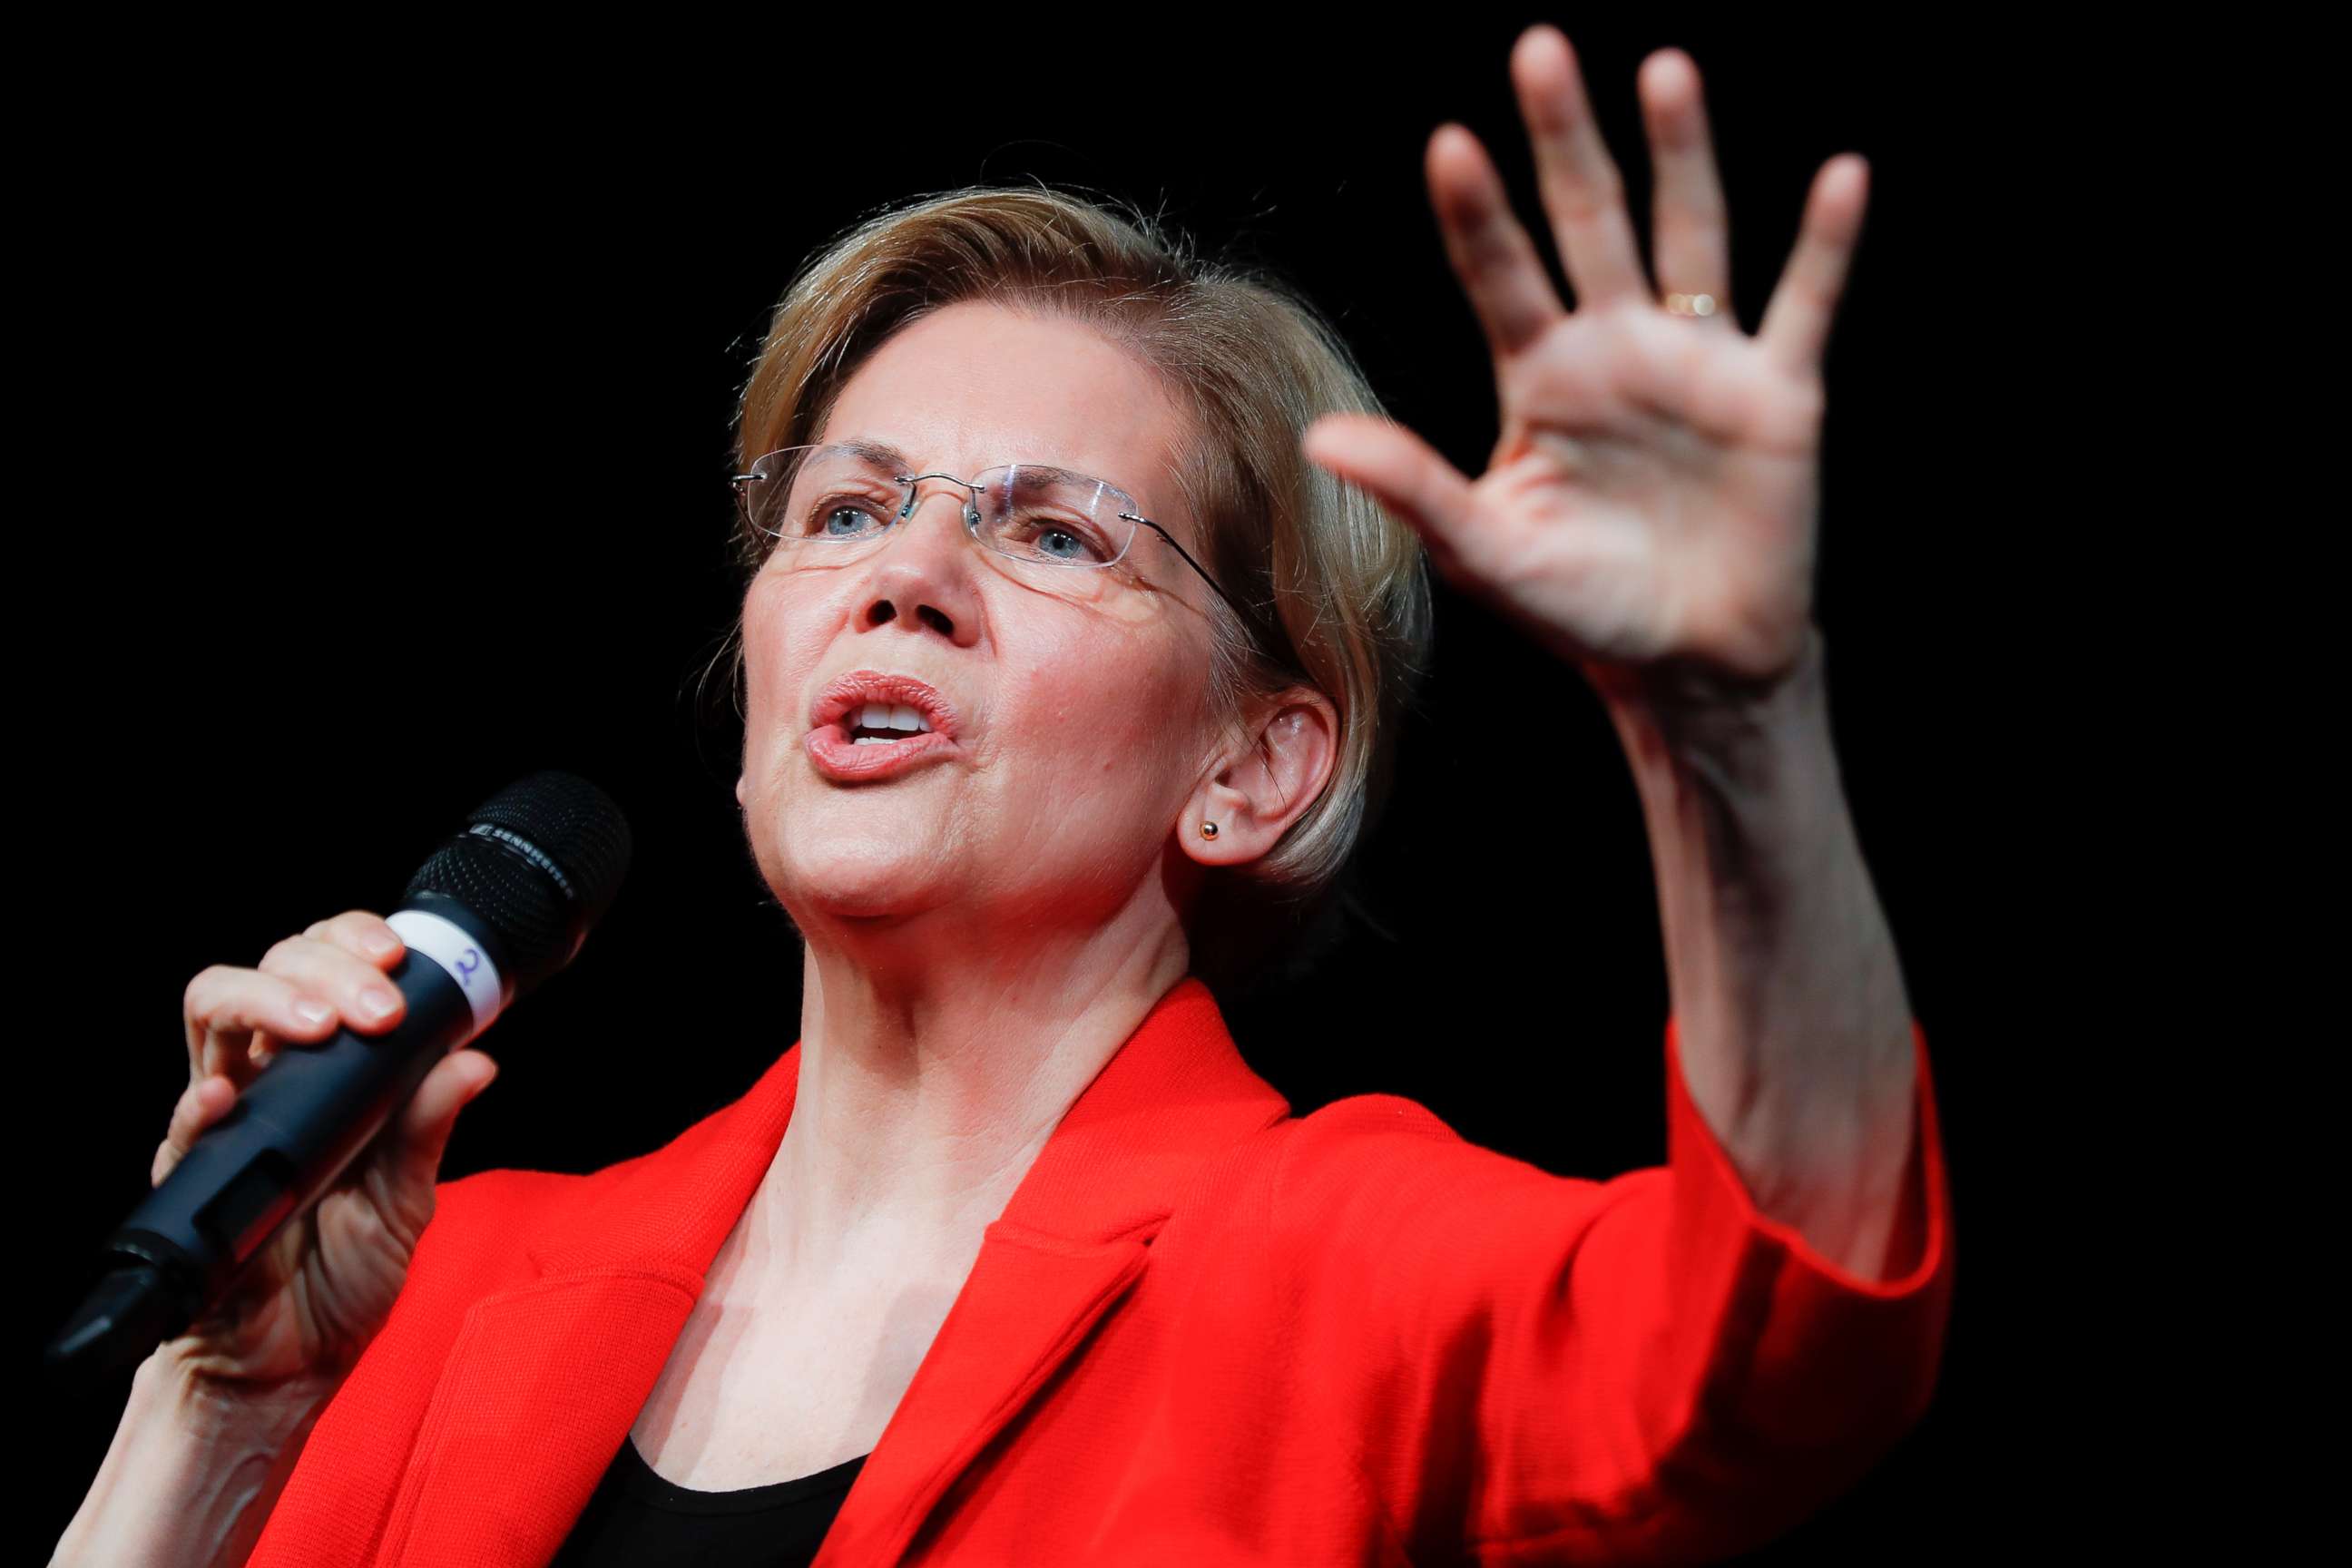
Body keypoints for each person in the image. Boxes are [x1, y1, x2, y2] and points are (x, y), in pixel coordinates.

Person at [55, 24, 1953, 1568]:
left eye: (1054, 533)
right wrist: (224, 1407)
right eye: (851, 508)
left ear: (1255, 765)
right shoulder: (446, 1278)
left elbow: (1784, 1342)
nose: (905, 578)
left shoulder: (1335, 1263)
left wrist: (1735, 723)